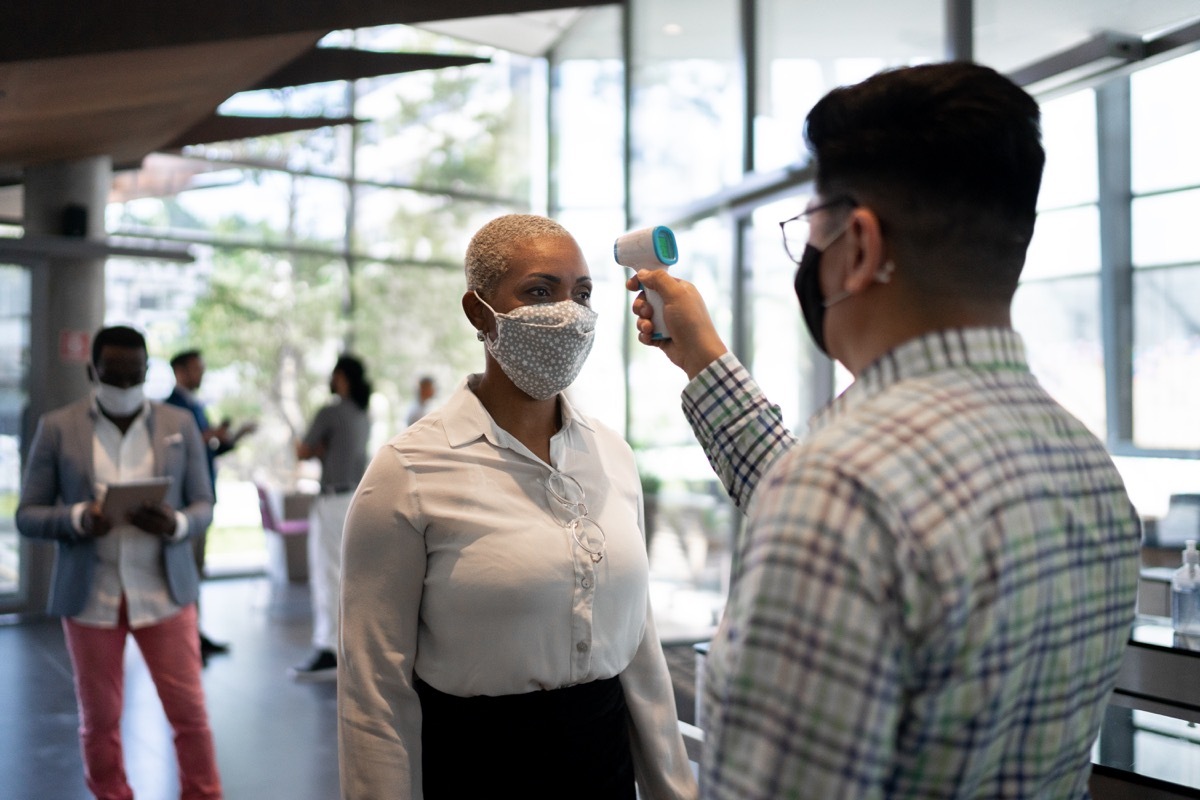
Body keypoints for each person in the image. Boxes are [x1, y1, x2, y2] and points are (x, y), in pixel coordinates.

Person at [626, 62, 1142, 799]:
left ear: (861, 245)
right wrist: (704, 360)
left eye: (810, 228)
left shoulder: (840, 492)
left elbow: (844, 512)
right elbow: (885, 524)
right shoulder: (1084, 466)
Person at [338, 214, 697, 800]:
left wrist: (674, 789)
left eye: (582, 293)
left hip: (603, 766)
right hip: (478, 769)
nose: (569, 312)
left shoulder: (611, 455)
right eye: (539, 291)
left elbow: (638, 644)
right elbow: (374, 689)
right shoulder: (409, 471)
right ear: (479, 312)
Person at [16, 325, 223, 800]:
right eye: (115, 374)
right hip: (90, 596)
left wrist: (174, 524)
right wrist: (78, 518)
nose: (126, 385)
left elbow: (203, 504)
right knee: (100, 721)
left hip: (164, 592)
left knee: (190, 716)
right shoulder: (58, 427)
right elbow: (27, 514)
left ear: (148, 371)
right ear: (93, 371)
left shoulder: (179, 425)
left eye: (136, 375)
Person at [165, 348, 257, 659]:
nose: (201, 374)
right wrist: (208, 436)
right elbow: (179, 450)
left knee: (197, 568)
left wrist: (232, 437)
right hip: (183, 504)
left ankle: (194, 632)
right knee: (185, 570)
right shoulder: (171, 408)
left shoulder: (196, 407)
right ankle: (183, 636)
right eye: (196, 369)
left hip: (202, 500)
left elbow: (207, 452)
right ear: (179, 371)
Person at [289, 354, 371, 681]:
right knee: (348, 574)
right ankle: (348, 646)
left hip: (333, 499)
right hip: (357, 497)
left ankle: (329, 650)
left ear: (340, 377)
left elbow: (302, 451)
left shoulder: (330, 411)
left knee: (327, 574)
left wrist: (310, 446)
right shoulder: (362, 414)